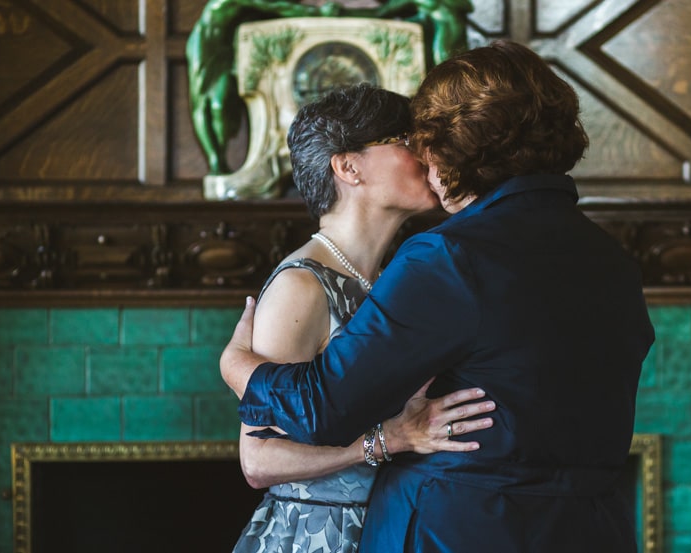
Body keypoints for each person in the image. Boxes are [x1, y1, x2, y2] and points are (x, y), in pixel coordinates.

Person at [222, 40, 655, 552]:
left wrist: (237, 366)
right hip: (591, 529)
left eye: (422, 140)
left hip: (461, 530)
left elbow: (325, 405)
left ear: (457, 145)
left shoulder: (449, 257)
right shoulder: (609, 257)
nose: (421, 158)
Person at [226, 83, 496, 553]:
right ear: (348, 166)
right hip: (316, 535)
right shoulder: (301, 286)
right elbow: (258, 459)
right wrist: (387, 440)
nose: (427, 154)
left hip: (391, 527)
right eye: (407, 141)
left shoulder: (395, 278)